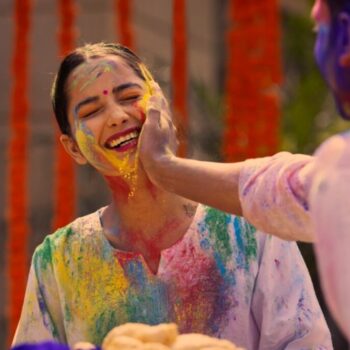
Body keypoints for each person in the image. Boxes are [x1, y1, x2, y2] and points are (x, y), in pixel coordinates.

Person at [12, 42, 332, 349]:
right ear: (72, 148)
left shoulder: (249, 226)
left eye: (129, 96)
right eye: (92, 110)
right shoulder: (58, 261)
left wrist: (165, 165)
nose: (116, 116)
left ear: (159, 104)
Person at [138, 0, 350, 342]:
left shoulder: (337, 169)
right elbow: (279, 189)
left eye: (317, 30)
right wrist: (163, 167)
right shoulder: (57, 253)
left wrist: (163, 166)